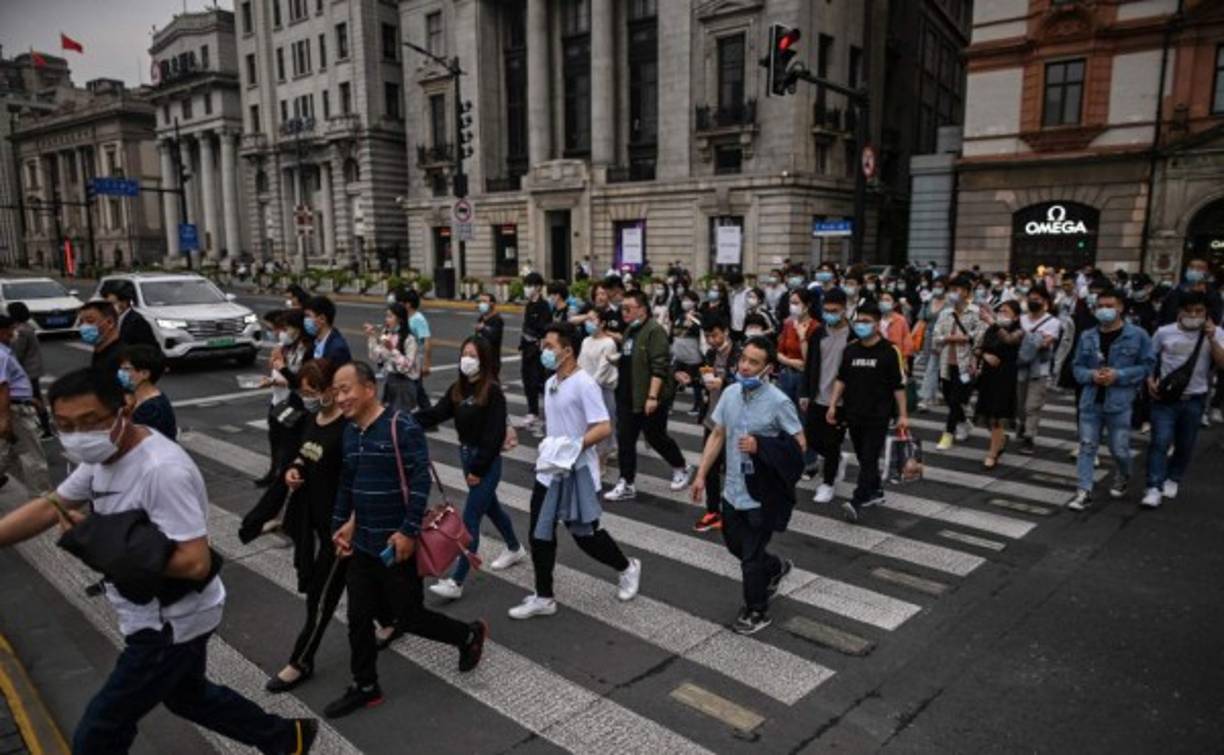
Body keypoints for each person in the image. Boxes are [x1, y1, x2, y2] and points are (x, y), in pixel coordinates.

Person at [0, 369, 318, 753]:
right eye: (65, 425)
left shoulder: (162, 471)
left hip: (170, 622)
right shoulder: (104, 455)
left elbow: (194, 562)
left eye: (91, 422)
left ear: (125, 409)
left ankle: (284, 739)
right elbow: (51, 505)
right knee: (187, 696)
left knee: (100, 732)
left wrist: (95, 540)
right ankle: (287, 738)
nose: (79, 435)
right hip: (149, 610)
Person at [326, 362, 487, 718]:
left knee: (409, 617)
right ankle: (365, 685)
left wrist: (409, 531)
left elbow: (419, 482)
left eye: (345, 389)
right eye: (335, 392)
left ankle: (468, 635)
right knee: (357, 616)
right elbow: (347, 483)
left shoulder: (401, 426)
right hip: (364, 544)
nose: (339, 398)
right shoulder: (351, 432)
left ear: (369, 388)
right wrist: (341, 525)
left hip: (396, 545)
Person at [508, 323, 640, 619]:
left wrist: (574, 446)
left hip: (577, 471)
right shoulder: (551, 381)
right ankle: (544, 597)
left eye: (549, 347)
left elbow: (604, 426)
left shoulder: (584, 384)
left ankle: (627, 567)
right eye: (543, 346)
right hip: (550, 471)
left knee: (585, 535)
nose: (544, 351)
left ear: (567, 351)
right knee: (539, 534)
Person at [691, 336, 805, 634]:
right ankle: (775, 567)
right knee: (735, 545)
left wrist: (762, 446)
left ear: (768, 368)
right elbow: (717, 434)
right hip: (732, 489)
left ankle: (757, 609)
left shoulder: (779, 402)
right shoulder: (729, 393)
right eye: (743, 359)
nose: (745, 366)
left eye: (754, 362)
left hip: (762, 493)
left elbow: (799, 445)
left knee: (750, 559)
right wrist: (702, 473)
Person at [415, 336, 526, 600]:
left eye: (473, 355)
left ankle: (457, 580)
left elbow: (493, 435)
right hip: (466, 456)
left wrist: (477, 469)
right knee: (492, 508)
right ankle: (514, 547)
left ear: (484, 361)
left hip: (484, 462)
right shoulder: (458, 389)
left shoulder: (492, 392)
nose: (467, 359)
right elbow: (435, 414)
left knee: (471, 518)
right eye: (465, 353)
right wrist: (402, 420)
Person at [264, 359, 348, 693]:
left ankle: (301, 661)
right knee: (384, 593)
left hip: (341, 530)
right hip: (314, 519)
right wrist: (294, 469)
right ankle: (389, 621)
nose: (308, 397)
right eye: (303, 391)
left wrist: (351, 524)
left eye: (313, 391)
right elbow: (304, 452)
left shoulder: (348, 428)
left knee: (321, 598)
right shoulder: (314, 418)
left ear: (330, 388)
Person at [1067, 289, 1154, 511]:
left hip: (1120, 403)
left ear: (1120, 307)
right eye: (1100, 306)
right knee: (1087, 446)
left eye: (1109, 305)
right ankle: (1083, 491)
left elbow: (1147, 366)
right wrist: (1091, 375)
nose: (1104, 310)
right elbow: (1076, 367)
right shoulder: (1088, 336)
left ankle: (1123, 474)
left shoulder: (1138, 335)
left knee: (1119, 449)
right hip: (1090, 401)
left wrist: (1119, 375)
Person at [604, 291, 695, 501]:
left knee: (655, 437)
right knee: (625, 439)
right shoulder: (631, 330)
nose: (623, 312)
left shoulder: (655, 331)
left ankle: (681, 466)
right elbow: (633, 356)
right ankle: (626, 482)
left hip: (648, 397)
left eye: (628, 308)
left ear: (642, 309)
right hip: (627, 394)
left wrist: (652, 397)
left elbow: (659, 366)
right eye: (622, 308)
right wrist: (618, 360)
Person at [825, 304, 909, 521]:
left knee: (870, 456)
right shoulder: (851, 349)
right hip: (854, 413)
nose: (861, 325)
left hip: (878, 415)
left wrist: (903, 415)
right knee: (864, 456)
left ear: (877, 324)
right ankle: (875, 490)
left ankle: (858, 499)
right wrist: (833, 404)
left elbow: (898, 386)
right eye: (858, 321)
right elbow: (841, 379)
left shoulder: (890, 351)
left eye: (866, 321)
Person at [1142, 291, 1224, 508]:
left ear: (1207, 313)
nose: (1194, 315)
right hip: (1165, 397)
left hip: (1195, 398)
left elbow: (1222, 363)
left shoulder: (1217, 333)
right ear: (1180, 312)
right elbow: (1149, 357)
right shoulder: (1164, 332)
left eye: (1199, 312)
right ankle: (1153, 486)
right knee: (1159, 441)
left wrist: (1212, 337)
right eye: (1189, 311)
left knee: (1185, 444)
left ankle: (1173, 477)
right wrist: (1150, 379)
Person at [684, 317, 739, 532]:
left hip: (733, 422)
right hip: (712, 418)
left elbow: (744, 381)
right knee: (711, 467)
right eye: (707, 336)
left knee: (734, 469)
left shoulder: (739, 352)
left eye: (715, 335)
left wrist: (723, 383)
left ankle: (734, 512)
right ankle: (713, 510)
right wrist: (692, 379)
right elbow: (704, 378)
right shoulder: (709, 353)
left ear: (725, 331)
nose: (711, 340)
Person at [802, 288, 853, 503]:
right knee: (812, 438)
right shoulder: (818, 333)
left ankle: (828, 483)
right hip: (817, 396)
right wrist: (805, 393)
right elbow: (809, 365)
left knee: (832, 442)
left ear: (844, 309)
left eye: (834, 310)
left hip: (840, 401)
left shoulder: (853, 335)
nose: (829, 314)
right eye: (826, 310)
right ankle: (837, 459)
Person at [259, 309, 312, 487]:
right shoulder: (287, 347)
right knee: (275, 437)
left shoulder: (306, 349)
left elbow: (296, 381)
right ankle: (274, 472)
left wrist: (280, 370)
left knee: (288, 441)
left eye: (286, 328)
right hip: (278, 399)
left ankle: (283, 476)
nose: (281, 333)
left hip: (292, 402)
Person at [932, 276, 984, 450]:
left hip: (966, 364)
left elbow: (980, 336)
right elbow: (936, 336)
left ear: (967, 293)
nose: (954, 293)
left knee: (955, 398)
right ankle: (964, 422)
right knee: (948, 397)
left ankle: (948, 434)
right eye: (951, 290)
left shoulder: (976, 312)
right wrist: (951, 338)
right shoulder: (945, 313)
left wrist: (966, 337)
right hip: (946, 362)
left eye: (958, 289)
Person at [0, 316, 48, 493]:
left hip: (16, 405)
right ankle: (44, 501)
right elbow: (2, 387)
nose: (14, 334)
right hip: (14, 411)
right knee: (34, 458)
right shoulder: (1, 354)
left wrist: (29, 399)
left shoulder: (5, 351)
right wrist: (5, 419)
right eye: (11, 330)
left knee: (8, 453)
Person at [1013, 286, 1062, 454]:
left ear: (1045, 301)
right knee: (1020, 404)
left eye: (1037, 299)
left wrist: (1026, 339)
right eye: (1031, 298)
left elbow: (1045, 343)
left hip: (1039, 369)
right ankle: (1022, 424)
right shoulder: (1021, 319)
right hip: (1020, 366)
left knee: (1032, 405)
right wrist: (1033, 339)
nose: (1033, 301)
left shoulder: (1053, 322)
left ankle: (1029, 437)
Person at [974, 301, 1023, 467]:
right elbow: (978, 347)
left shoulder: (1019, 329)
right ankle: (1000, 440)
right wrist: (985, 355)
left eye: (1006, 311)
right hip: (988, 376)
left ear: (1016, 315)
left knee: (997, 414)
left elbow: (1009, 340)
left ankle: (992, 453)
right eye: (1000, 311)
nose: (1002, 313)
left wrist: (992, 322)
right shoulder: (991, 329)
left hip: (1006, 376)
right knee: (987, 413)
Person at [578, 308, 621, 469]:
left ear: (602, 323)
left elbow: (603, 370)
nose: (588, 322)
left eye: (592, 319)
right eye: (587, 319)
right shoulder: (586, 341)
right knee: (588, 425)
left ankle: (601, 461)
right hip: (586, 389)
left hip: (602, 389)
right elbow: (580, 365)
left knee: (603, 425)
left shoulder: (609, 343)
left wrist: (588, 387)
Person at [5, 302, 51, 436]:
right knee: (36, 399)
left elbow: (17, 353)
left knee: (33, 400)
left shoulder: (20, 331)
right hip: (32, 369)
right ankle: (45, 427)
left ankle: (45, 428)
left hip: (27, 371)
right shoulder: (26, 326)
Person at [366, 303, 419, 412]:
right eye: (386, 316)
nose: (386, 320)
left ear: (400, 319)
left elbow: (406, 367)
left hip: (404, 386)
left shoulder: (409, 339)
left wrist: (392, 350)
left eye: (390, 316)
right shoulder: (387, 334)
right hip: (389, 383)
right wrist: (371, 337)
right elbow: (376, 357)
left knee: (400, 420)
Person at [118, 344, 177, 441]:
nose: (120, 373)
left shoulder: (151, 409)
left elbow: (131, 439)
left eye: (127, 369)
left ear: (145, 374)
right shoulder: (136, 397)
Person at [518, 272, 551, 434]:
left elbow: (545, 328)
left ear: (538, 287)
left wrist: (539, 341)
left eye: (529, 285)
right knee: (527, 380)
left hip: (538, 350)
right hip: (526, 348)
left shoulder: (543, 306)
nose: (527, 289)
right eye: (526, 285)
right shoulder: (529, 304)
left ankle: (548, 414)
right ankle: (532, 412)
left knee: (540, 382)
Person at [776, 287, 816, 407]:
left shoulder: (815, 327)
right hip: (786, 374)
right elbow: (778, 353)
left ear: (807, 305)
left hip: (803, 378)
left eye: (796, 303)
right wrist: (790, 362)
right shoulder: (789, 324)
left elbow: (809, 360)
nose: (792, 306)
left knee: (802, 414)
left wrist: (802, 337)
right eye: (791, 303)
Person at [669, 289, 706, 416]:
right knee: (673, 380)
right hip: (678, 353)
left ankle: (698, 406)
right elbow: (673, 332)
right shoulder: (679, 316)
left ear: (695, 302)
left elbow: (702, 330)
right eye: (683, 300)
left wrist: (693, 319)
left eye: (688, 300)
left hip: (692, 354)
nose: (685, 302)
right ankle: (669, 405)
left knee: (695, 382)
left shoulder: (699, 317)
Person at [102, 280, 159, 349]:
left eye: (112, 303)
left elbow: (147, 350)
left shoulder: (137, 322)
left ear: (124, 303)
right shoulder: (111, 321)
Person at [78, 300, 125, 376]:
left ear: (110, 322)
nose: (83, 327)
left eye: (90, 321)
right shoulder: (100, 351)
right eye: (81, 322)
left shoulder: (120, 358)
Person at [304, 296, 351, 366]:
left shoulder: (338, 350)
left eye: (308, 316)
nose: (305, 320)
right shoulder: (314, 342)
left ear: (322, 319)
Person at [475, 292, 505, 373]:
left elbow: (494, 337)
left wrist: (483, 328)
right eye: (480, 301)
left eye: (484, 301)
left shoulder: (497, 320)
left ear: (492, 304)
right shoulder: (481, 319)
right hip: (480, 358)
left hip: (492, 361)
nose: (481, 304)